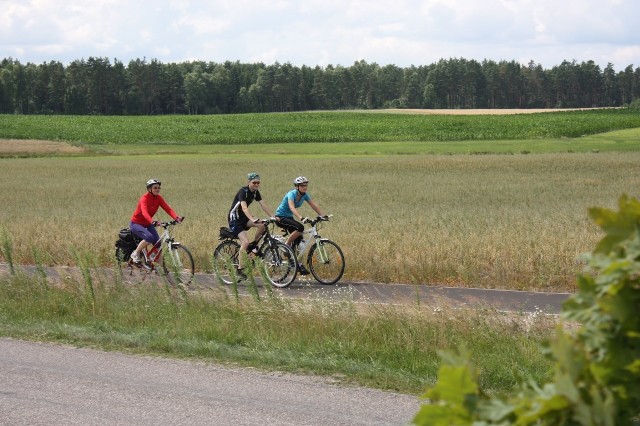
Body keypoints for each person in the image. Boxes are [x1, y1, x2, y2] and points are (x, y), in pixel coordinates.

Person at [275, 176, 326, 275]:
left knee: (299, 240)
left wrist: (323, 215)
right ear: (297, 187)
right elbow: (292, 207)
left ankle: (298, 264)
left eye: (306, 185)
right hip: (280, 217)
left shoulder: (305, 195)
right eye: (302, 186)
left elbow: (313, 205)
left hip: (288, 218)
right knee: (300, 227)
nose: (305, 187)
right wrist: (301, 218)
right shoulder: (291, 194)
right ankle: (286, 245)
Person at [228, 172, 275, 279]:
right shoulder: (243, 191)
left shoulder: (255, 192)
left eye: (258, 183)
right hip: (235, 219)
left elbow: (263, 205)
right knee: (245, 242)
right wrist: (252, 218)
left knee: (262, 225)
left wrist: (273, 216)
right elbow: (244, 207)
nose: (256, 185)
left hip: (244, 217)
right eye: (254, 182)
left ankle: (254, 246)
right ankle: (239, 269)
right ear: (248, 182)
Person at [129, 178, 182, 264]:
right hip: (136, 223)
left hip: (147, 223)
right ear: (149, 189)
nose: (157, 189)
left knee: (158, 244)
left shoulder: (159, 198)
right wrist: (152, 221)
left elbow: (168, 209)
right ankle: (135, 253)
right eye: (155, 188)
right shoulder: (144, 198)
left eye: (158, 188)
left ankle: (159, 268)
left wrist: (176, 217)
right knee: (149, 237)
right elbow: (144, 212)